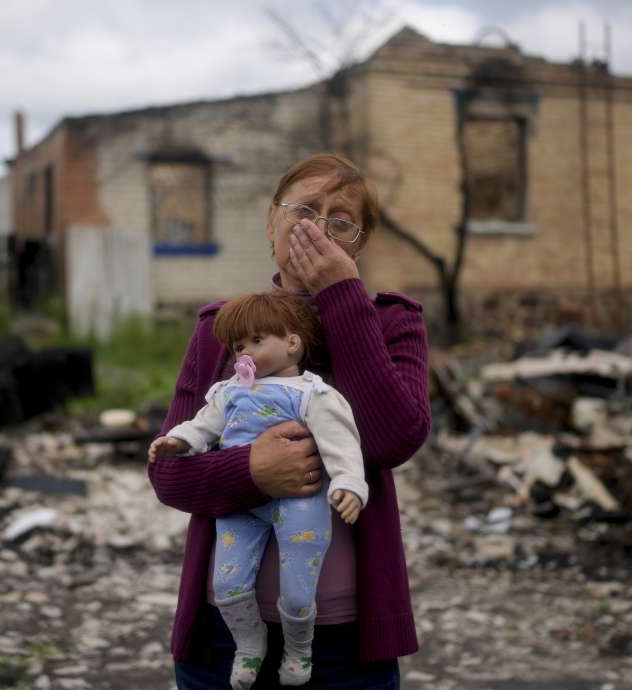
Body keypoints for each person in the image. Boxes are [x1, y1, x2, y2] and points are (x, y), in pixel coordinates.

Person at [148, 152, 431, 689]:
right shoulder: (221, 328)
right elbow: (169, 473)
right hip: (222, 639)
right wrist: (252, 472)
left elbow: (394, 439)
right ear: (270, 222)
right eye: (304, 209)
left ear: (360, 244)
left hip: (345, 644)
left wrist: (341, 297)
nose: (318, 228)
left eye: (341, 220)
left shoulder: (394, 322)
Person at [149, 291, 368, 688]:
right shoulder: (228, 392)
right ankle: (250, 646)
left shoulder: (313, 394)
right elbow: (202, 426)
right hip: (242, 501)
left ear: (292, 342)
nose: (243, 354)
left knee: (300, 590)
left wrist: (350, 485)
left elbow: (341, 443)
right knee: (228, 583)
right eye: (238, 346)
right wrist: (176, 441)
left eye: (256, 340)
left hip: (301, 500)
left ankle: (299, 649)